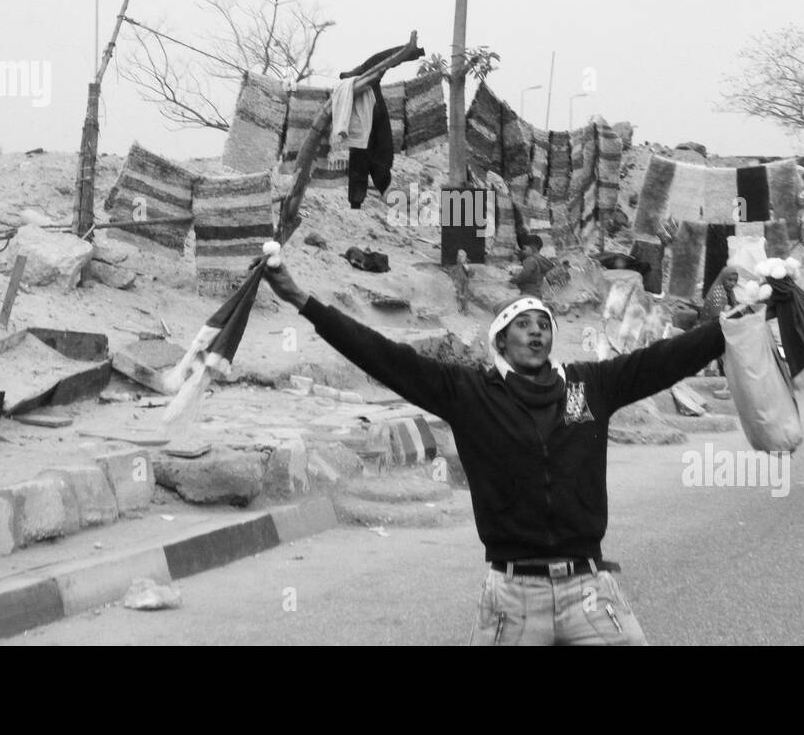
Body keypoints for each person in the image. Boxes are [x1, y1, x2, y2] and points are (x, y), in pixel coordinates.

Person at [262, 256, 727, 645]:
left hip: (587, 585)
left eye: (543, 324)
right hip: (513, 595)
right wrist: (305, 302)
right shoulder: (468, 393)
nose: (535, 332)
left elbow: (667, 360)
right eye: (522, 324)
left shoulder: (589, 387)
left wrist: (735, 324)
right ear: (501, 340)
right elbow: (383, 355)